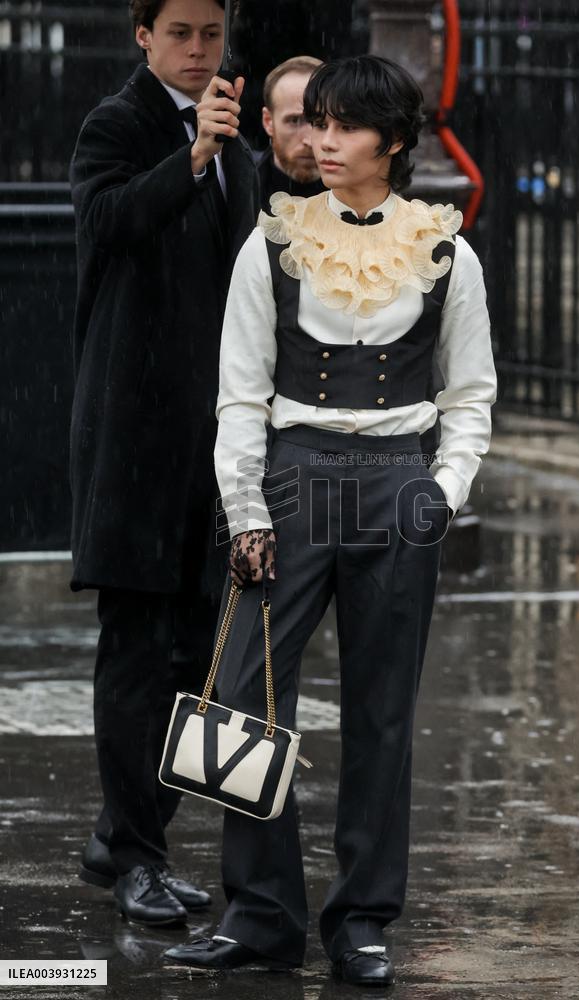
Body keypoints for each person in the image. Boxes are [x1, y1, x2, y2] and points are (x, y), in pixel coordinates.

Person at [165, 55, 496, 984]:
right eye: (316, 122)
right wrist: (244, 511)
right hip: (289, 479)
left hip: (399, 484)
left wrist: (442, 490)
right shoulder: (272, 243)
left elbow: (469, 395)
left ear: (391, 140)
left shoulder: (445, 252)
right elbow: (239, 395)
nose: (322, 140)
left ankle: (362, 921)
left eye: (344, 125)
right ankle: (261, 913)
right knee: (242, 695)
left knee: (382, 712)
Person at [69, 0, 259, 926]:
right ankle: (137, 856)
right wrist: (188, 160)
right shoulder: (118, 124)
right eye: (180, 33)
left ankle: (127, 835)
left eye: (211, 34)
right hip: (134, 432)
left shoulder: (238, 152)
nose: (198, 51)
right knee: (136, 647)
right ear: (143, 34)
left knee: (198, 653)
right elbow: (108, 222)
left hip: (210, 438)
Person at [255, 55, 326, 211]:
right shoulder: (237, 190)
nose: (309, 141)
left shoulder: (366, 194)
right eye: (294, 120)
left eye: (321, 123)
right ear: (268, 121)